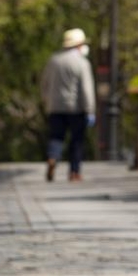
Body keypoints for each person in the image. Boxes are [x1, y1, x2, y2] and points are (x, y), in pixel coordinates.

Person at [41, 28, 96, 182]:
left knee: (56, 137)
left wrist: (47, 101)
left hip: (55, 107)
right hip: (75, 108)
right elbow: (86, 89)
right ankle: (74, 172)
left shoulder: (54, 60)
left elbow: (44, 84)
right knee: (76, 140)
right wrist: (90, 110)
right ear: (79, 45)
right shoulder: (82, 62)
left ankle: (53, 158)